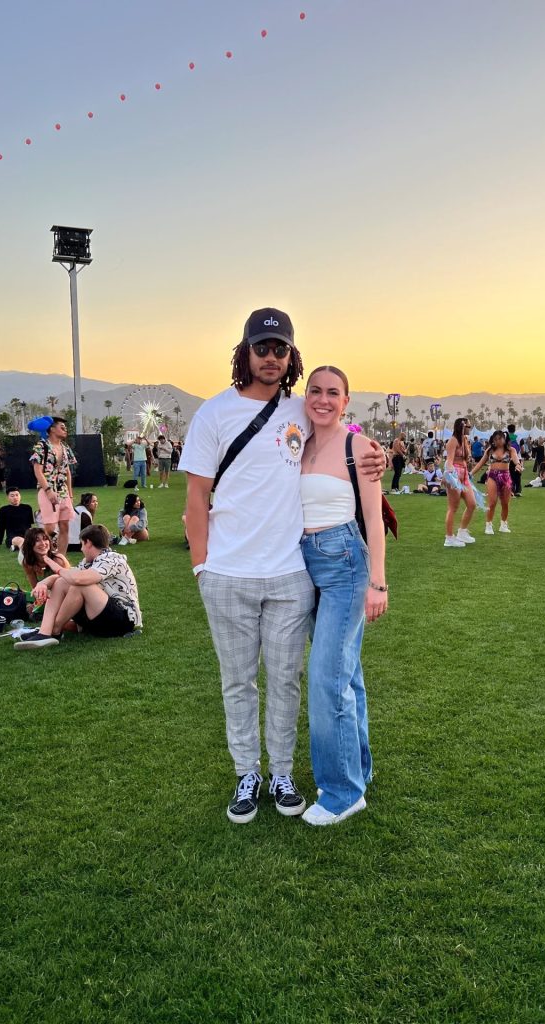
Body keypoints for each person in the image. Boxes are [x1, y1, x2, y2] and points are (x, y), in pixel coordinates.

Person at [180, 306, 383, 824]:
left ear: (291, 357)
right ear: (244, 353)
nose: (271, 357)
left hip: (293, 574)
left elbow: (338, 426)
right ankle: (247, 772)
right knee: (238, 681)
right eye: (262, 347)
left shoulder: (299, 409)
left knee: (289, 680)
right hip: (227, 574)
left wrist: (372, 451)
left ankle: (282, 773)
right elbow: (196, 498)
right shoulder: (213, 413)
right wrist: (202, 568)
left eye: (281, 349)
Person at [299, 366, 386, 825]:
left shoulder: (360, 447)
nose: (324, 399)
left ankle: (342, 792)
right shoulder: (296, 441)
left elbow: (373, 520)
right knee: (346, 675)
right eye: (316, 390)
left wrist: (378, 582)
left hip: (346, 564)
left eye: (334, 393)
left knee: (326, 676)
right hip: (303, 565)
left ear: (346, 400)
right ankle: (359, 769)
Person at [14, 524, 142, 648]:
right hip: (100, 618)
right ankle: (45, 632)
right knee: (62, 582)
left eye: (82, 544)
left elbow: (77, 579)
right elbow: (65, 577)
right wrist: (43, 583)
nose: (81, 549)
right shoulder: (88, 562)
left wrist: (49, 561)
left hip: (122, 620)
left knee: (79, 584)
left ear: (88, 543)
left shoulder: (112, 559)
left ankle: (55, 629)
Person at [30, 416, 74, 555]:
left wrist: (70, 495)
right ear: (52, 429)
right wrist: (48, 491)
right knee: (49, 528)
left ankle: (61, 559)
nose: (65, 429)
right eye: (62, 427)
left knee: (65, 526)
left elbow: (67, 472)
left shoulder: (65, 448)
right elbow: (37, 470)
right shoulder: (41, 446)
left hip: (63, 492)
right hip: (47, 490)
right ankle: (45, 557)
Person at [471, 430, 520, 534]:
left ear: (504, 438)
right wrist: (470, 473)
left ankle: (503, 524)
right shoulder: (489, 450)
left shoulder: (511, 450)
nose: (497, 441)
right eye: (495, 439)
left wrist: (518, 465)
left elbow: (516, 459)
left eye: (500, 439)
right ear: (492, 440)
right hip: (492, 476)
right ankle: (488, 525)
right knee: (492, 502)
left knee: (505, 503)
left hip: (506, 477)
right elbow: (480, 463)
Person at [443, 417, 477, 546]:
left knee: (472, 504)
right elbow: (449, 461)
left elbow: (466, 459)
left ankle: (462, 532)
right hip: (455, 475)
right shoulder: (453, 441)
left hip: (464, 474)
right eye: (469, 426)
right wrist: (451, 477)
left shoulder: (465, 440)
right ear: (462, 427)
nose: (470, 428)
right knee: (453, 507)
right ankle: (449, 538)